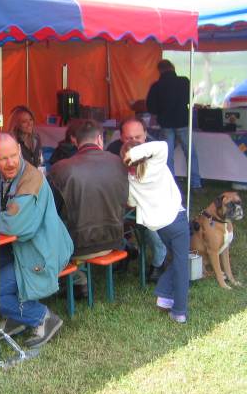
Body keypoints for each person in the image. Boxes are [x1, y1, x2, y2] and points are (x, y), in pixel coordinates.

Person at [0, 133, 72, 348]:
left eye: (13, 156)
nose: (10, 163)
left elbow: (16, 226)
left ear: (19, 150)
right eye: (3, 158)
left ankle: (43, 318)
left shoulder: (31, 179)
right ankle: (16, 318)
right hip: (15, 248)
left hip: (41, 252)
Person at [49, 120, 128, 294]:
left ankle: (78, 279)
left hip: (77, 247)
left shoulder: (60, 168)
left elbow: (51, 210)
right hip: (115, 240)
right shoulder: (119, 162)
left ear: (75, 141)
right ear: (100, 139)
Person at [121, 140, 190, 324]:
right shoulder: (156, 164)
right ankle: (179, 311)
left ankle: (164, 294)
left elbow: (132, 202)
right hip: (176, 219)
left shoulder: (130, 179)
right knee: (182, 265)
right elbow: (162, 146)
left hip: (160, 227)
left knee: (178, 260)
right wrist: (135, 153)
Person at [106, 118, 167, 282]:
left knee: (150, 223)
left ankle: (158, 261)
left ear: (146, 135)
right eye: (128, 138)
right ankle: (126, 249)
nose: (134, 141)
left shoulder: (155, 150)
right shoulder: (113, 150)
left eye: (138, 137)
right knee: (103, 216)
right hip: (123, 197)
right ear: (121, 137)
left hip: (151, 200)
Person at [146, 59, 203, 190]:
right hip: (182, 121)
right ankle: (196, 182)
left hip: (165, 123)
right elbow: (190, 98)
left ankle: (170, 185)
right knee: (190, 153)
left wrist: (160, 111)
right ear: (173, 67)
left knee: (168, 156)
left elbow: (151, 107)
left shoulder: (156, 86)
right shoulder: (184, 81)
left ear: (160, 70)